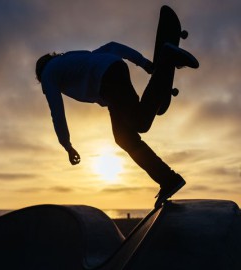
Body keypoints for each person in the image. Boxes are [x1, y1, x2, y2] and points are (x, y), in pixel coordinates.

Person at [35, 41, 199, 208]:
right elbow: (113, 47)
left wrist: (67, 146)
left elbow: (56, 111)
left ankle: (167, 58)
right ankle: (169, 180)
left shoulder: (48, 74)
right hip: (113, 72)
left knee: (140, 122)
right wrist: (145, 64)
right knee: (124, 138)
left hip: (108, 80)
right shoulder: (74, 57)